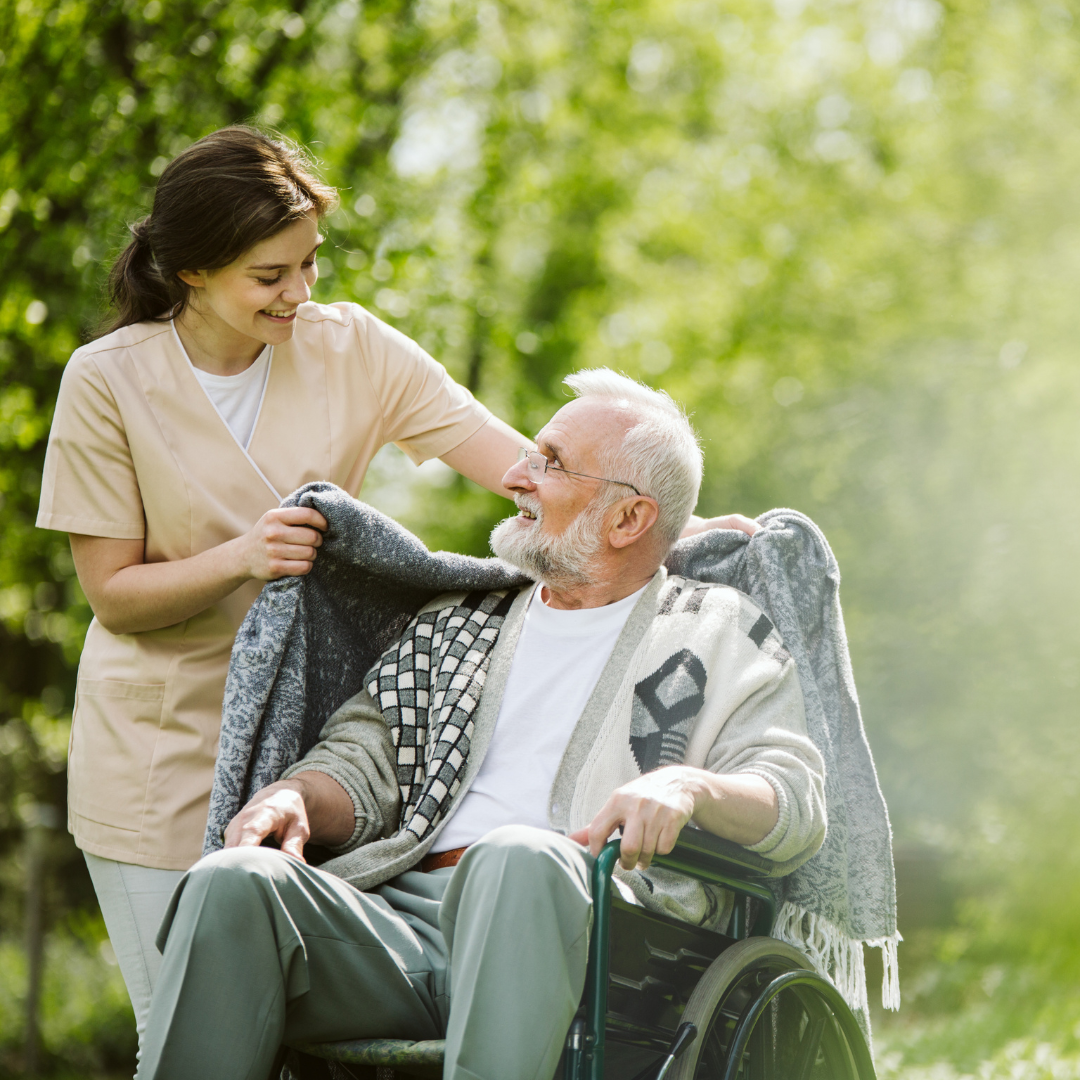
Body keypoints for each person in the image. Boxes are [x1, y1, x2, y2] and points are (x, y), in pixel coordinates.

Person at [34, 127, 754, 1052]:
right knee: (177, 1029)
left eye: (309, 265)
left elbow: (524, 468)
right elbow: (115, 595)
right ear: (191, 273)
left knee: (287, 1036)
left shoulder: (354, 350)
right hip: (159, 745)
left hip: (313, 739)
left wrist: (674, 521)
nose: (299, 294)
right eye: (269, 276)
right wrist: (244, 557)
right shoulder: (106, 381)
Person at [135, 370, 825, 1080]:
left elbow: (795, 797)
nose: (517, 475)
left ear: (628, 520)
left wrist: (689, 787)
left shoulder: (719, 632)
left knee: (519, 855)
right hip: (402, 927)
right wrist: (298, 795)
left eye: (549, 462)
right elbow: (362, 758)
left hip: (600, 934)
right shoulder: (460, 622)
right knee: (235, 880)